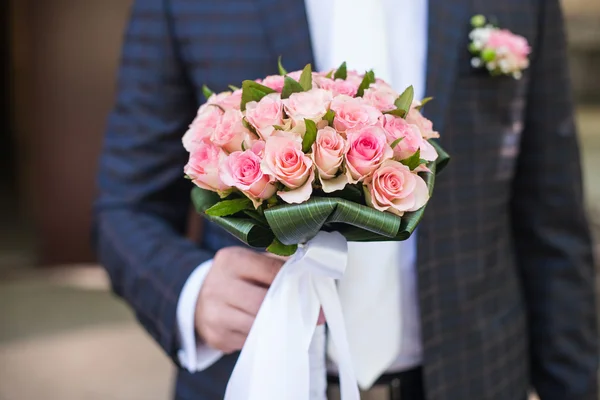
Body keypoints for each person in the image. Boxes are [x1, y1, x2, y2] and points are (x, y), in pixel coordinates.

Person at [93, 0, 599, 399]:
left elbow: (552, 222)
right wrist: (192, 290)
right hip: (255, 379)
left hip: (475, 376)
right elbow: (124, 207)